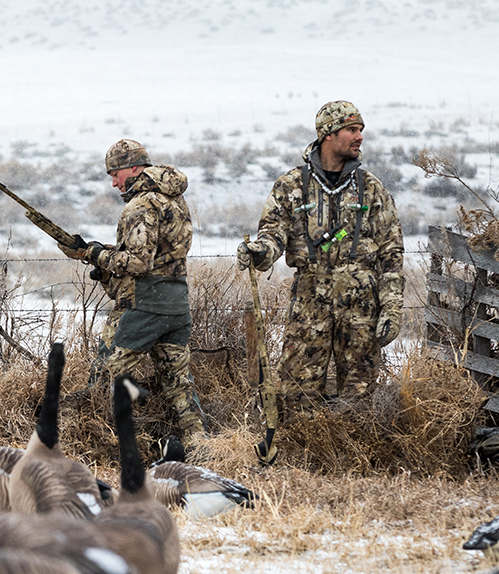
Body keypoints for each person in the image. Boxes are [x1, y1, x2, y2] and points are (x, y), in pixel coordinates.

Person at [237, 101, 404, 409]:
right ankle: (302, 456)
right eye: (352, 130)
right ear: (328, 134)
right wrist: (259, 252)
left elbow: (391, 253)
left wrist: (391, 308)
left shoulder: (370, 188)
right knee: (294, 394)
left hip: (361, 309)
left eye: (361, 130)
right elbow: (273, 234)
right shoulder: (291, 186)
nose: (359, 137)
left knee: (359, 401)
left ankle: (354, 456)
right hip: (309, 302)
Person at [61, 139, 208, 450]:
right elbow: (160, 255)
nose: (114, 183)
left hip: (144, 305)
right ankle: (204, 450)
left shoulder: (140, 206)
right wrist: (103, 252)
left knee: (105, 379)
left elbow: (140, 263)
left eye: (115, 174)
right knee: (180, 386)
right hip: (177, 305)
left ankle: (98, 446)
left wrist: (94, 255)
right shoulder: (174, 198)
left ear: (132, 168)